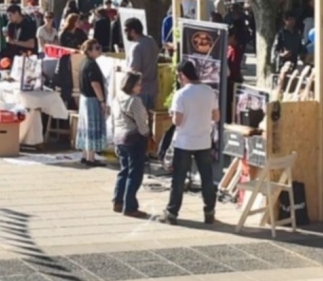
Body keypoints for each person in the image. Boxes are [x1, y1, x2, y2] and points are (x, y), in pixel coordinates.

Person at [157, 60, 219, 226]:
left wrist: (172, 114)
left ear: (182, 75)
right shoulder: (209, 91)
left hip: (184, 141)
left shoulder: (182, 94)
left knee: (178, 179)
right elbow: (216, 116)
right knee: (207, 178)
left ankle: (172, 212)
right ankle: (209, 212)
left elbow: (177, 121)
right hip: (204, 141)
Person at [112, 71, 149, 218]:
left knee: (124, 170)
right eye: (138, 84)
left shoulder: (118, 98)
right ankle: (130, 206)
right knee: (135, 174)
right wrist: (147, 135)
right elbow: (141, 124)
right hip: (134, 138)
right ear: (132, 86)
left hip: (120, 137)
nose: (141, 87)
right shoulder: (135, 101)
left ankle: (118, 201)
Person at [76, 39, 107, 166]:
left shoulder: (84, 63)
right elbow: (95, 84)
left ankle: (85, 155)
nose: (99, 50)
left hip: (84, 99)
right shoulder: (91, 65)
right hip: (92, 100)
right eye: (96, 48)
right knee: (93, 128)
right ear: (89, 51)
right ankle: (91, 158)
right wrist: (102, 101)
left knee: (85, 127)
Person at [124, 18, 159, 111]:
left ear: (133, 31)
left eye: (126, 30)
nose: (124, 33)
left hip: (140, 90)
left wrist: (123, 70)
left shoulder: (136, 47)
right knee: (150, 119)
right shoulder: (151, 40)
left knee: (138, 120)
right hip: (153, 87)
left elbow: (134, 70)